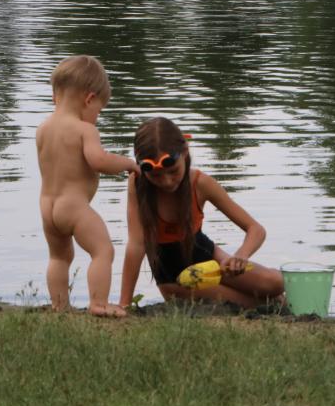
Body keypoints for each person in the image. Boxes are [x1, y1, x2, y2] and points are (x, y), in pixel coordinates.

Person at [119, 117, 284, 309]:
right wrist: (124, 304)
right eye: (156, 175)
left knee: (277, 283)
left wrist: (241, 255)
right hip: (175, 281)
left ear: (185, 152)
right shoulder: (138, 185)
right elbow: (136, 245)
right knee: (256, 304)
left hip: (210, 261)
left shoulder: (200, 183)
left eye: (173, 171)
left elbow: (255, 229)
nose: (166, 181)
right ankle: (276, 303)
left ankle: (276, 298)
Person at [36, 55, 139, 317]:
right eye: (99, 111)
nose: (97, 117)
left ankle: (59, 306)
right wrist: (128, 164)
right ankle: (99, 303)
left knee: (59, 257)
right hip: (73, 206)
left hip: (47, 207)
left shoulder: (43, 129)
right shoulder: (85, 130)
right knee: (102, 250)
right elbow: (98, 161)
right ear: (89, 99)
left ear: (55, 96)